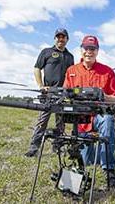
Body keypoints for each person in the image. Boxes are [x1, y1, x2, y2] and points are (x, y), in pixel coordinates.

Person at [63, 35, 115, 187]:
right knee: (86, 160)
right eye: (86, 48)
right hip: (81, 121)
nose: (89, 51)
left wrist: (103, 96)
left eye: (92, 49)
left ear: (97, 51)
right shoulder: (71, 71)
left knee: (107, 120)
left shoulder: (107, 71)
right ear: (81, 50)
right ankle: (81, 168)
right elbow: (64, 94)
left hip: (99, 115)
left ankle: (109, 170)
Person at [25, 28, 74, 157]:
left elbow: (72, 75)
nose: (60, 39)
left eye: (63, 37)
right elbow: (37, 68)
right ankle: (33, 148)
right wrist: (41, 85)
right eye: (58, 37)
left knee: (61, 122)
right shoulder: (46, 52)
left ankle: (57, 147)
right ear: (55, 38)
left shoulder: (70, 56)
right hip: (48, 93)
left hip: (63, 94)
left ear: (67, 39)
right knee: (42, 122)